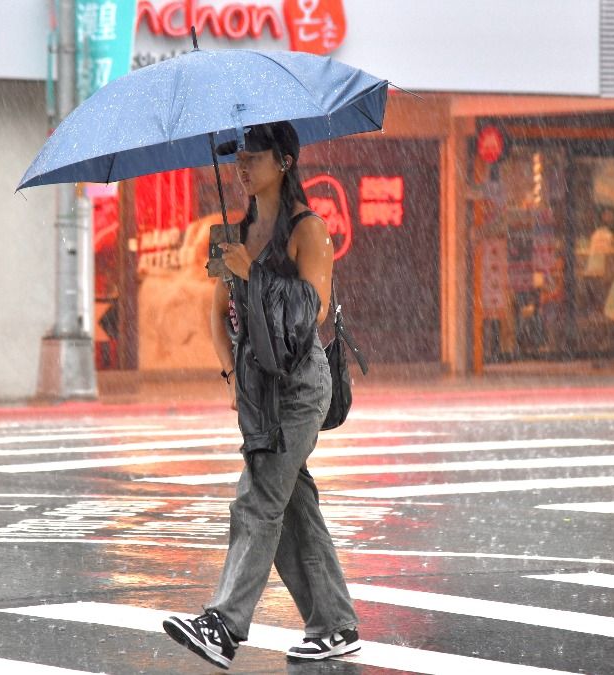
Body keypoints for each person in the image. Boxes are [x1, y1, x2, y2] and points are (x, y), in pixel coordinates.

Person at [162, 122, 359, 670]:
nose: (242, 166)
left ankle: (224, 625)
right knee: (293, 507)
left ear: (286, 161)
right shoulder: (232, 232)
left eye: (254, 157)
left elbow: (312, 311)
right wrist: (230, 375)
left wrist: (256, 276)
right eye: (238, 157)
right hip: (256, 388)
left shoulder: (308, 230)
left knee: (258, 499)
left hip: (299, 387)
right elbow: (214, 311)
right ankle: (335, 624)